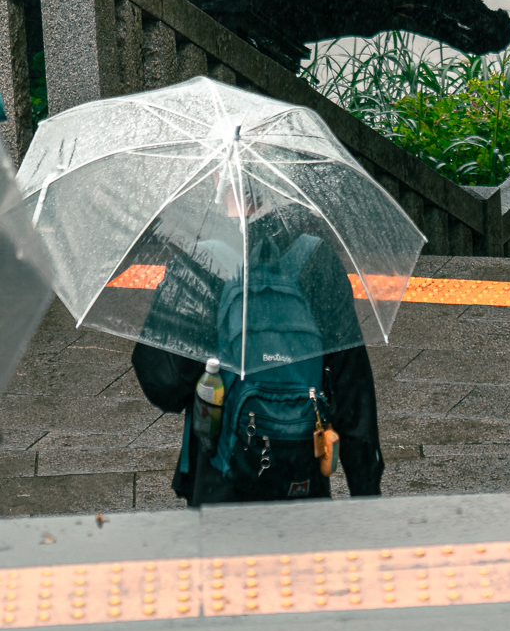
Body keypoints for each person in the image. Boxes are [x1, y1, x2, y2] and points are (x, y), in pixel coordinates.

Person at [131, 184, 384, 507]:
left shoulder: (199, 264)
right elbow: (352, 388)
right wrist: (367, 490)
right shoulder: (317, 260)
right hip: (303, 475)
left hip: (220, 481)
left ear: (218, 184)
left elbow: (163, 386)